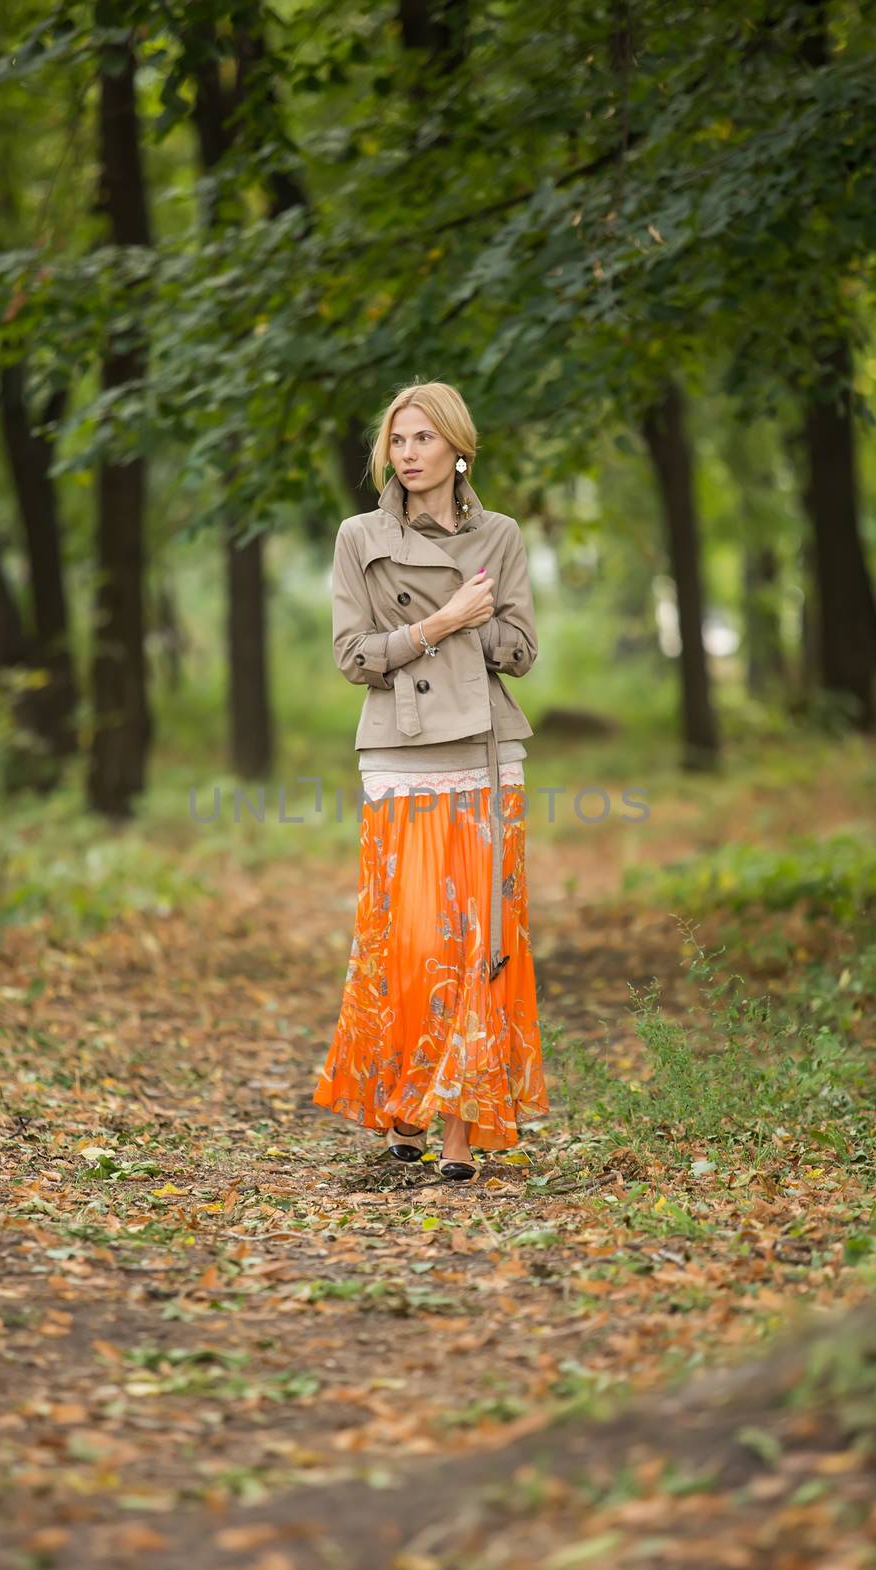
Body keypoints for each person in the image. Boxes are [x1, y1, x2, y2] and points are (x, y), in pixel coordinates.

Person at [312, 380, 550, 1180]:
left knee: (477, 941)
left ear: (457, 448)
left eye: (422, 439)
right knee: (409, 945)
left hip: (484, 750)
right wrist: (441, 624)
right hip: (400, 752)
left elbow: (521, 649)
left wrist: (478, 630)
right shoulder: (358, 536)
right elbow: (353, 658)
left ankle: (455, 1133)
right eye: (398, 441)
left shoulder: (502, 537)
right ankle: (402, 1109)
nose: (408, 455)